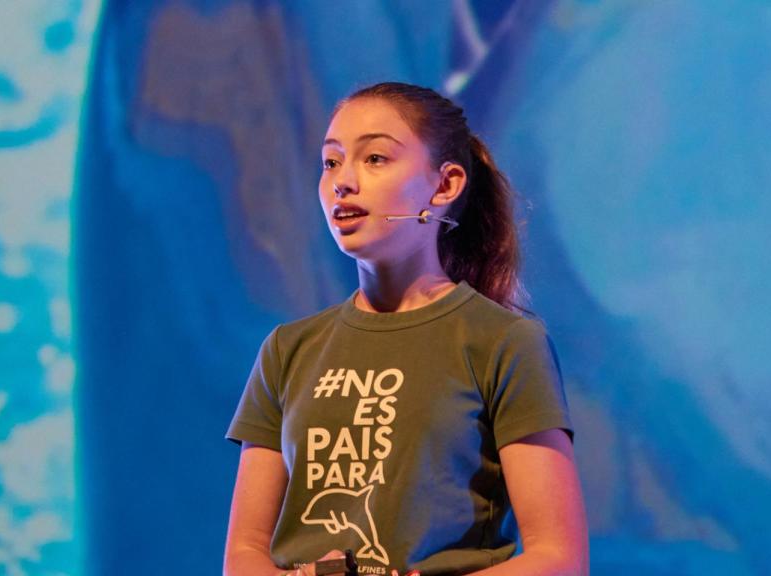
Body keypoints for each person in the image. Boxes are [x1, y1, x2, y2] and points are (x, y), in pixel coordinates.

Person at [222, 82, 588, 576]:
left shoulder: (504, 342)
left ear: (445, 185)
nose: (342, 181)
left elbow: (558, 559)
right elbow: (244, 554)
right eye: (330, 162)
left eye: (374, 158)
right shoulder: (288, 350)